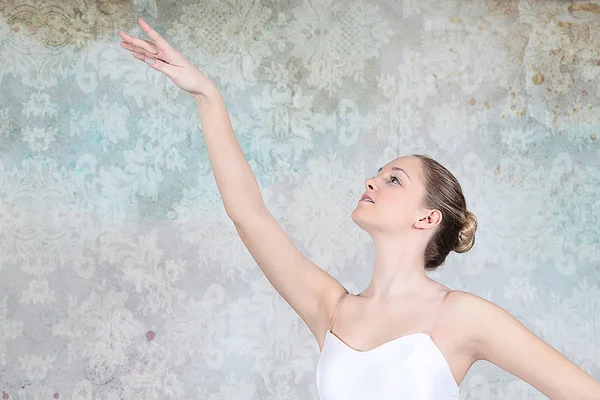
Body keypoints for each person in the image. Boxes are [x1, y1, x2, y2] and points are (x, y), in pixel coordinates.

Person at [119, 17, 600, 400]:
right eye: (377, 173)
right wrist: (208, 96)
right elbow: (249, 215)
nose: (371, 181)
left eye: (394, 179)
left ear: (427, 218)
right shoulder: (331, 308)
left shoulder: (461, 316)